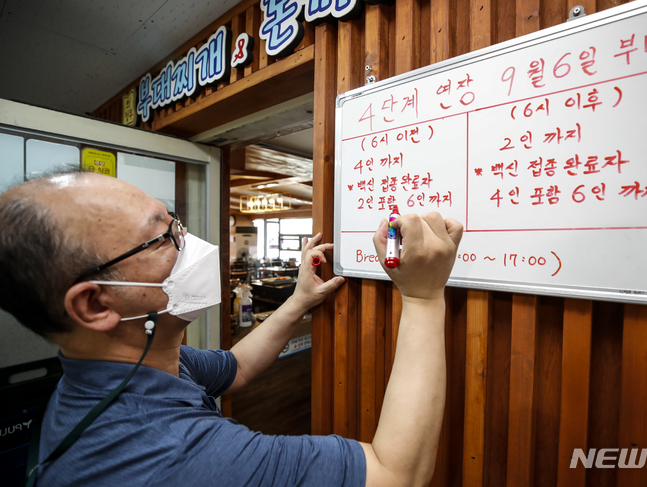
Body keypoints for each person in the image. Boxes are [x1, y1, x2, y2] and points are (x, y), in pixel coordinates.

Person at [0, 171, 463, 486]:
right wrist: (422, 297)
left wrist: (299, 299)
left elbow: (237, 367)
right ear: (96, 303)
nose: (193, 244)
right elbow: (394, 475)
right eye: (163, 237)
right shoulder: (172, 456)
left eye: (176, 222)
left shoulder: (121, 372)